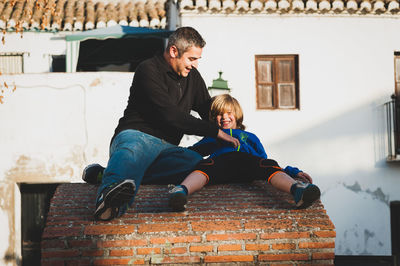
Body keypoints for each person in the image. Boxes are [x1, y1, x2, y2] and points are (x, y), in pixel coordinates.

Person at [90, 27, 240, 221]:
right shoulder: (148, 70)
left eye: (197, 60)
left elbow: (207, 110)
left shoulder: (192, 77)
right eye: (191, 59)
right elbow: (172, 116)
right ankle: (108, 203)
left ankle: (105, 173)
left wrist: (231, 126)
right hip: (137, 135)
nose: (194, 65)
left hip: (168, 150)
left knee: (197, 164)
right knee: (132, 153)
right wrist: (215, 132)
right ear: (173, 51)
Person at [168, 94, 321, 211]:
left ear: (237, 114)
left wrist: (292, 171)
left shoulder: (250, 137)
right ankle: (182, 191)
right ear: (214, 119)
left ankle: (297, 190)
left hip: (247, 164)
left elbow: (263, 160)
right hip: (221, 164)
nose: (224, 117)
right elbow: (192, 153)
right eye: (219, 115)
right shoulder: (214, 135)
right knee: (204, 166)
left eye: (229, 113)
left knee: (268, 165)